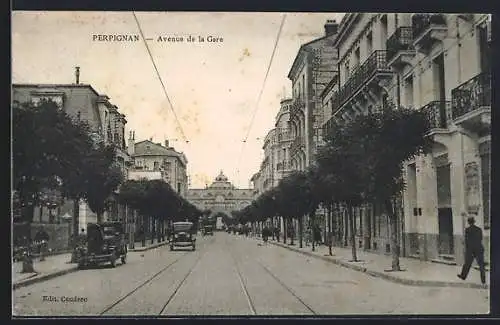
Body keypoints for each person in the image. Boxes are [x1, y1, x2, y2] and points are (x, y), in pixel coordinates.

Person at [457, 216, 486, 285]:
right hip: (479, 248)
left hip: (471, 249)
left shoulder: (467, 230)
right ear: (474, 221)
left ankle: (463, 276)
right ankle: (483, 280)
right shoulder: (479, 229)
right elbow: (481, 238)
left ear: (468, 222)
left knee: (467, 263)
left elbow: (467, 241)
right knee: (481, 265)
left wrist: (465, 246)